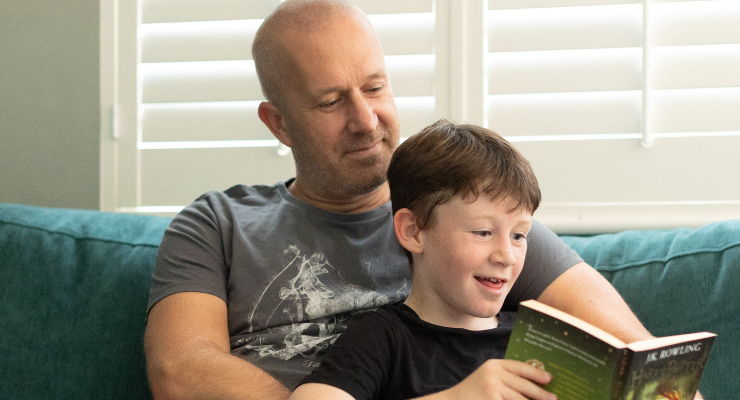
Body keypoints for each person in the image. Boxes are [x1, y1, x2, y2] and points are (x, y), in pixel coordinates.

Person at [142, 1, 654, 399]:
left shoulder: (475, 220)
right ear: (278, 123)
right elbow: (179, 373)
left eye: (375, 88)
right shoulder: (217, 224)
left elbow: (640, 355)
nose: (366, 120)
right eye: (330, 101)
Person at [290, 119, 556, 400]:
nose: (506, 256)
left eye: (519, 235)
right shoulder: (382, 338)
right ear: (413, 231)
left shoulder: (535, 338)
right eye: (483, 232)